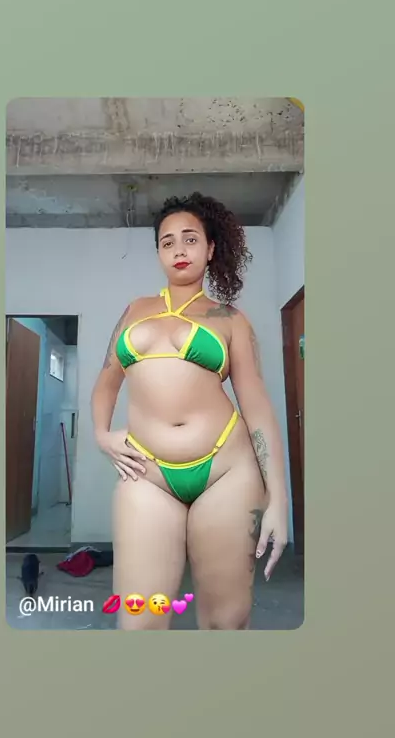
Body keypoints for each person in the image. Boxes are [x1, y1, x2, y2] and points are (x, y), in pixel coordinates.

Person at [91, 192, 288, 630]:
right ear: (159, 253)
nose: (179, 249)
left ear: (210, 248)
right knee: (138, 622)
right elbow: (105, 383)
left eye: (190, 239)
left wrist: (279, 500)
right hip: (147, 475)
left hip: (226, 472)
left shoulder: (230, 319)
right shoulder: (134, 311)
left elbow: (257, 409)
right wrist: (102, 435)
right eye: (168, 242)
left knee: (225, 622)